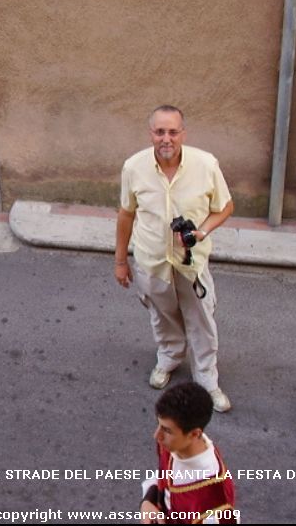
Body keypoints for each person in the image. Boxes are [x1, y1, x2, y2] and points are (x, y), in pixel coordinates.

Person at [115, 105, 234, 412]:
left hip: (190, 263)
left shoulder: (206, 165)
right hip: (151, 260)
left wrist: (202, 232)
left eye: (172, 132)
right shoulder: (133, 167)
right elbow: (126, 214)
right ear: (150, 134)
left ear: (183, 133)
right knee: (162, 314)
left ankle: (207, 379)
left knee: (202, 319)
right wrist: (120, 261)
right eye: (159, 132)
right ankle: (169, 357)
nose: (165, 138)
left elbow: (225, 207)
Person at [140, 382, 237, 524]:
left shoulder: (215, 501)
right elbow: (162, 477)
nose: (157, 436)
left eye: (167, 430)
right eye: (158, 424)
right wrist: (148, 501)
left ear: (194, 434)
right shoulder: (172, 444)